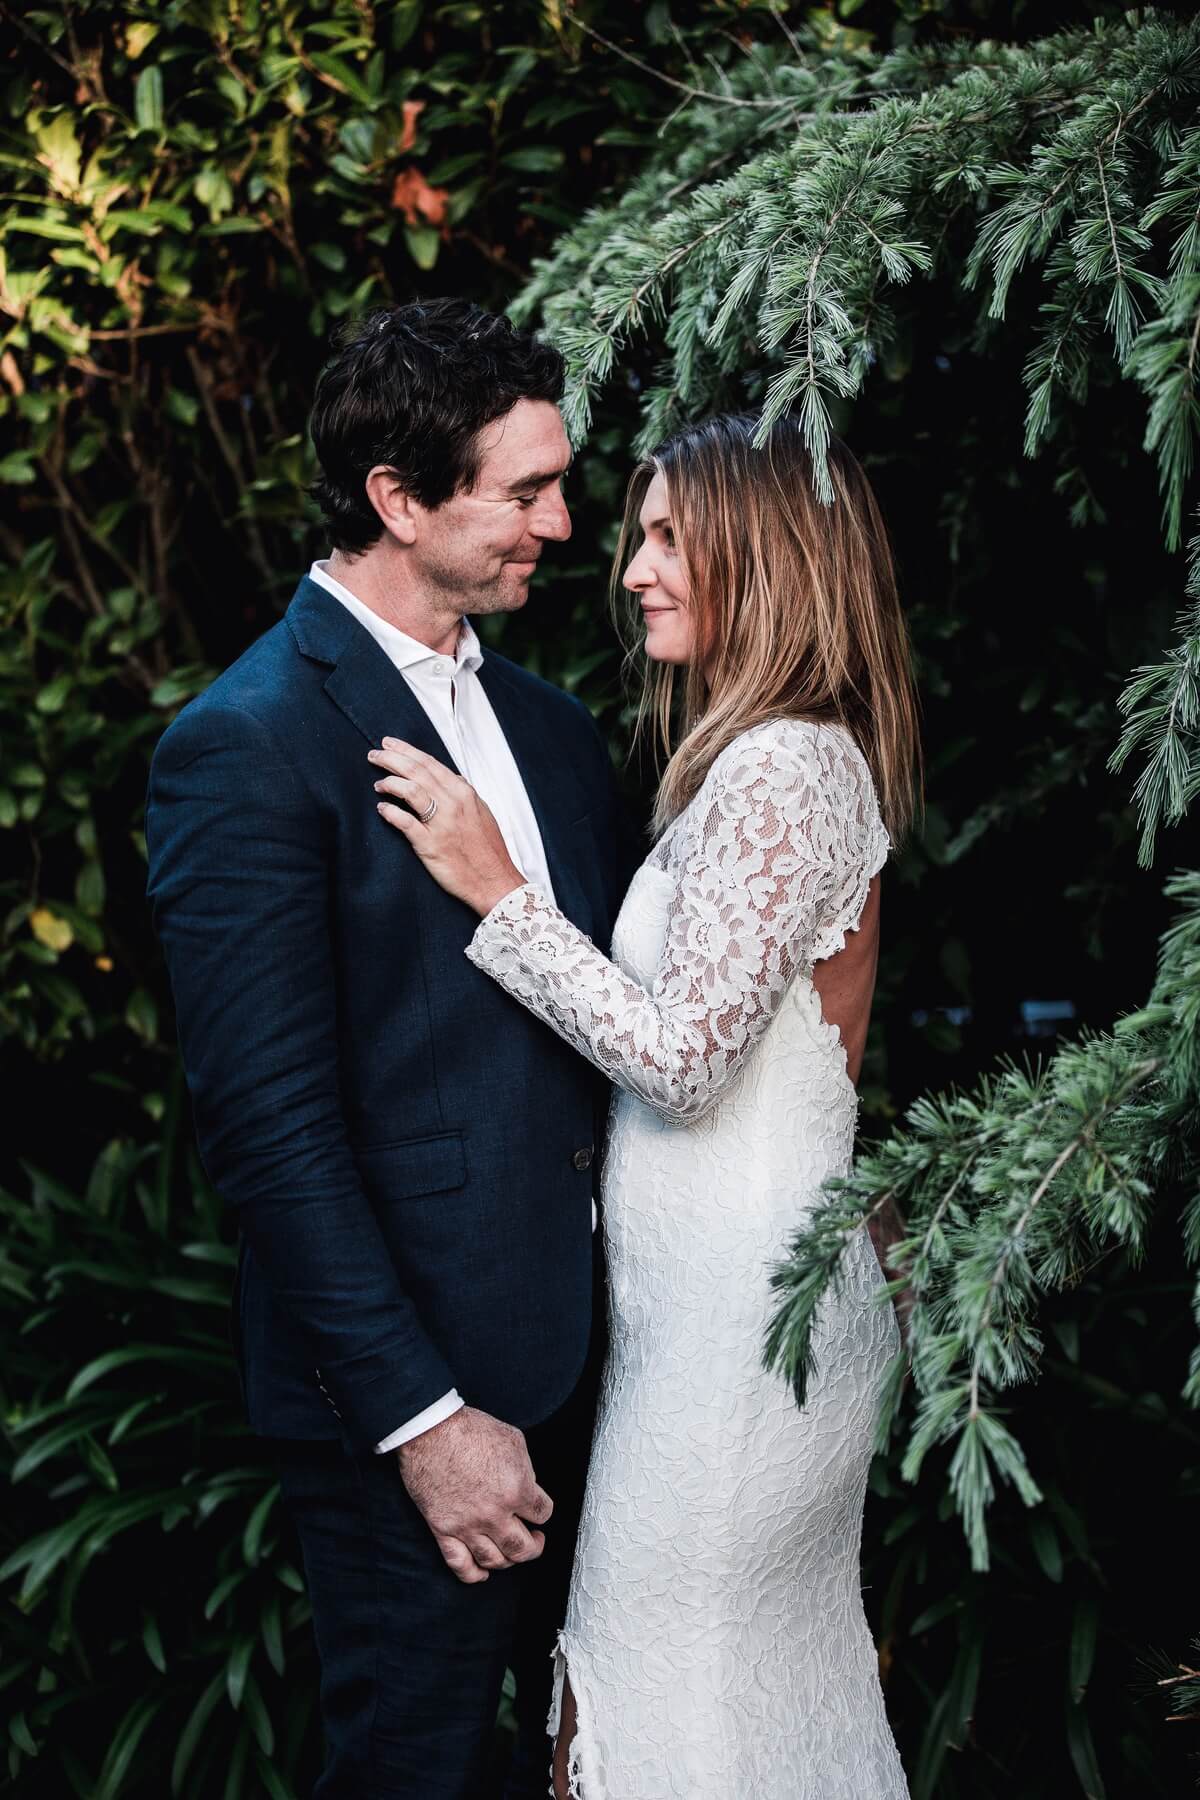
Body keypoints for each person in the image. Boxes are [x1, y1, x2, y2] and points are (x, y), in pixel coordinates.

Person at [367, 413, 920, 1799]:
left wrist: (500, 894)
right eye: (640, 536)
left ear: (766, 555)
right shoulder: (769, 760)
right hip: (724, 1316)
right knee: (729, 1708)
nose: (634, 571)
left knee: (644, 1711)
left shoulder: (787, 765)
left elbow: (684, 1063)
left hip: (742, 1336)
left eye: (672, 538)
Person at [145, 298, 639, 1799]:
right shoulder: (246, 743)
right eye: (525, 491)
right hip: (422, 1401)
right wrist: (426, 1422)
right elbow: (267, 1131)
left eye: (563, 484)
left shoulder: (554, 730)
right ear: (400, 499)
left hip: (619, 1374)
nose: (563, 525)